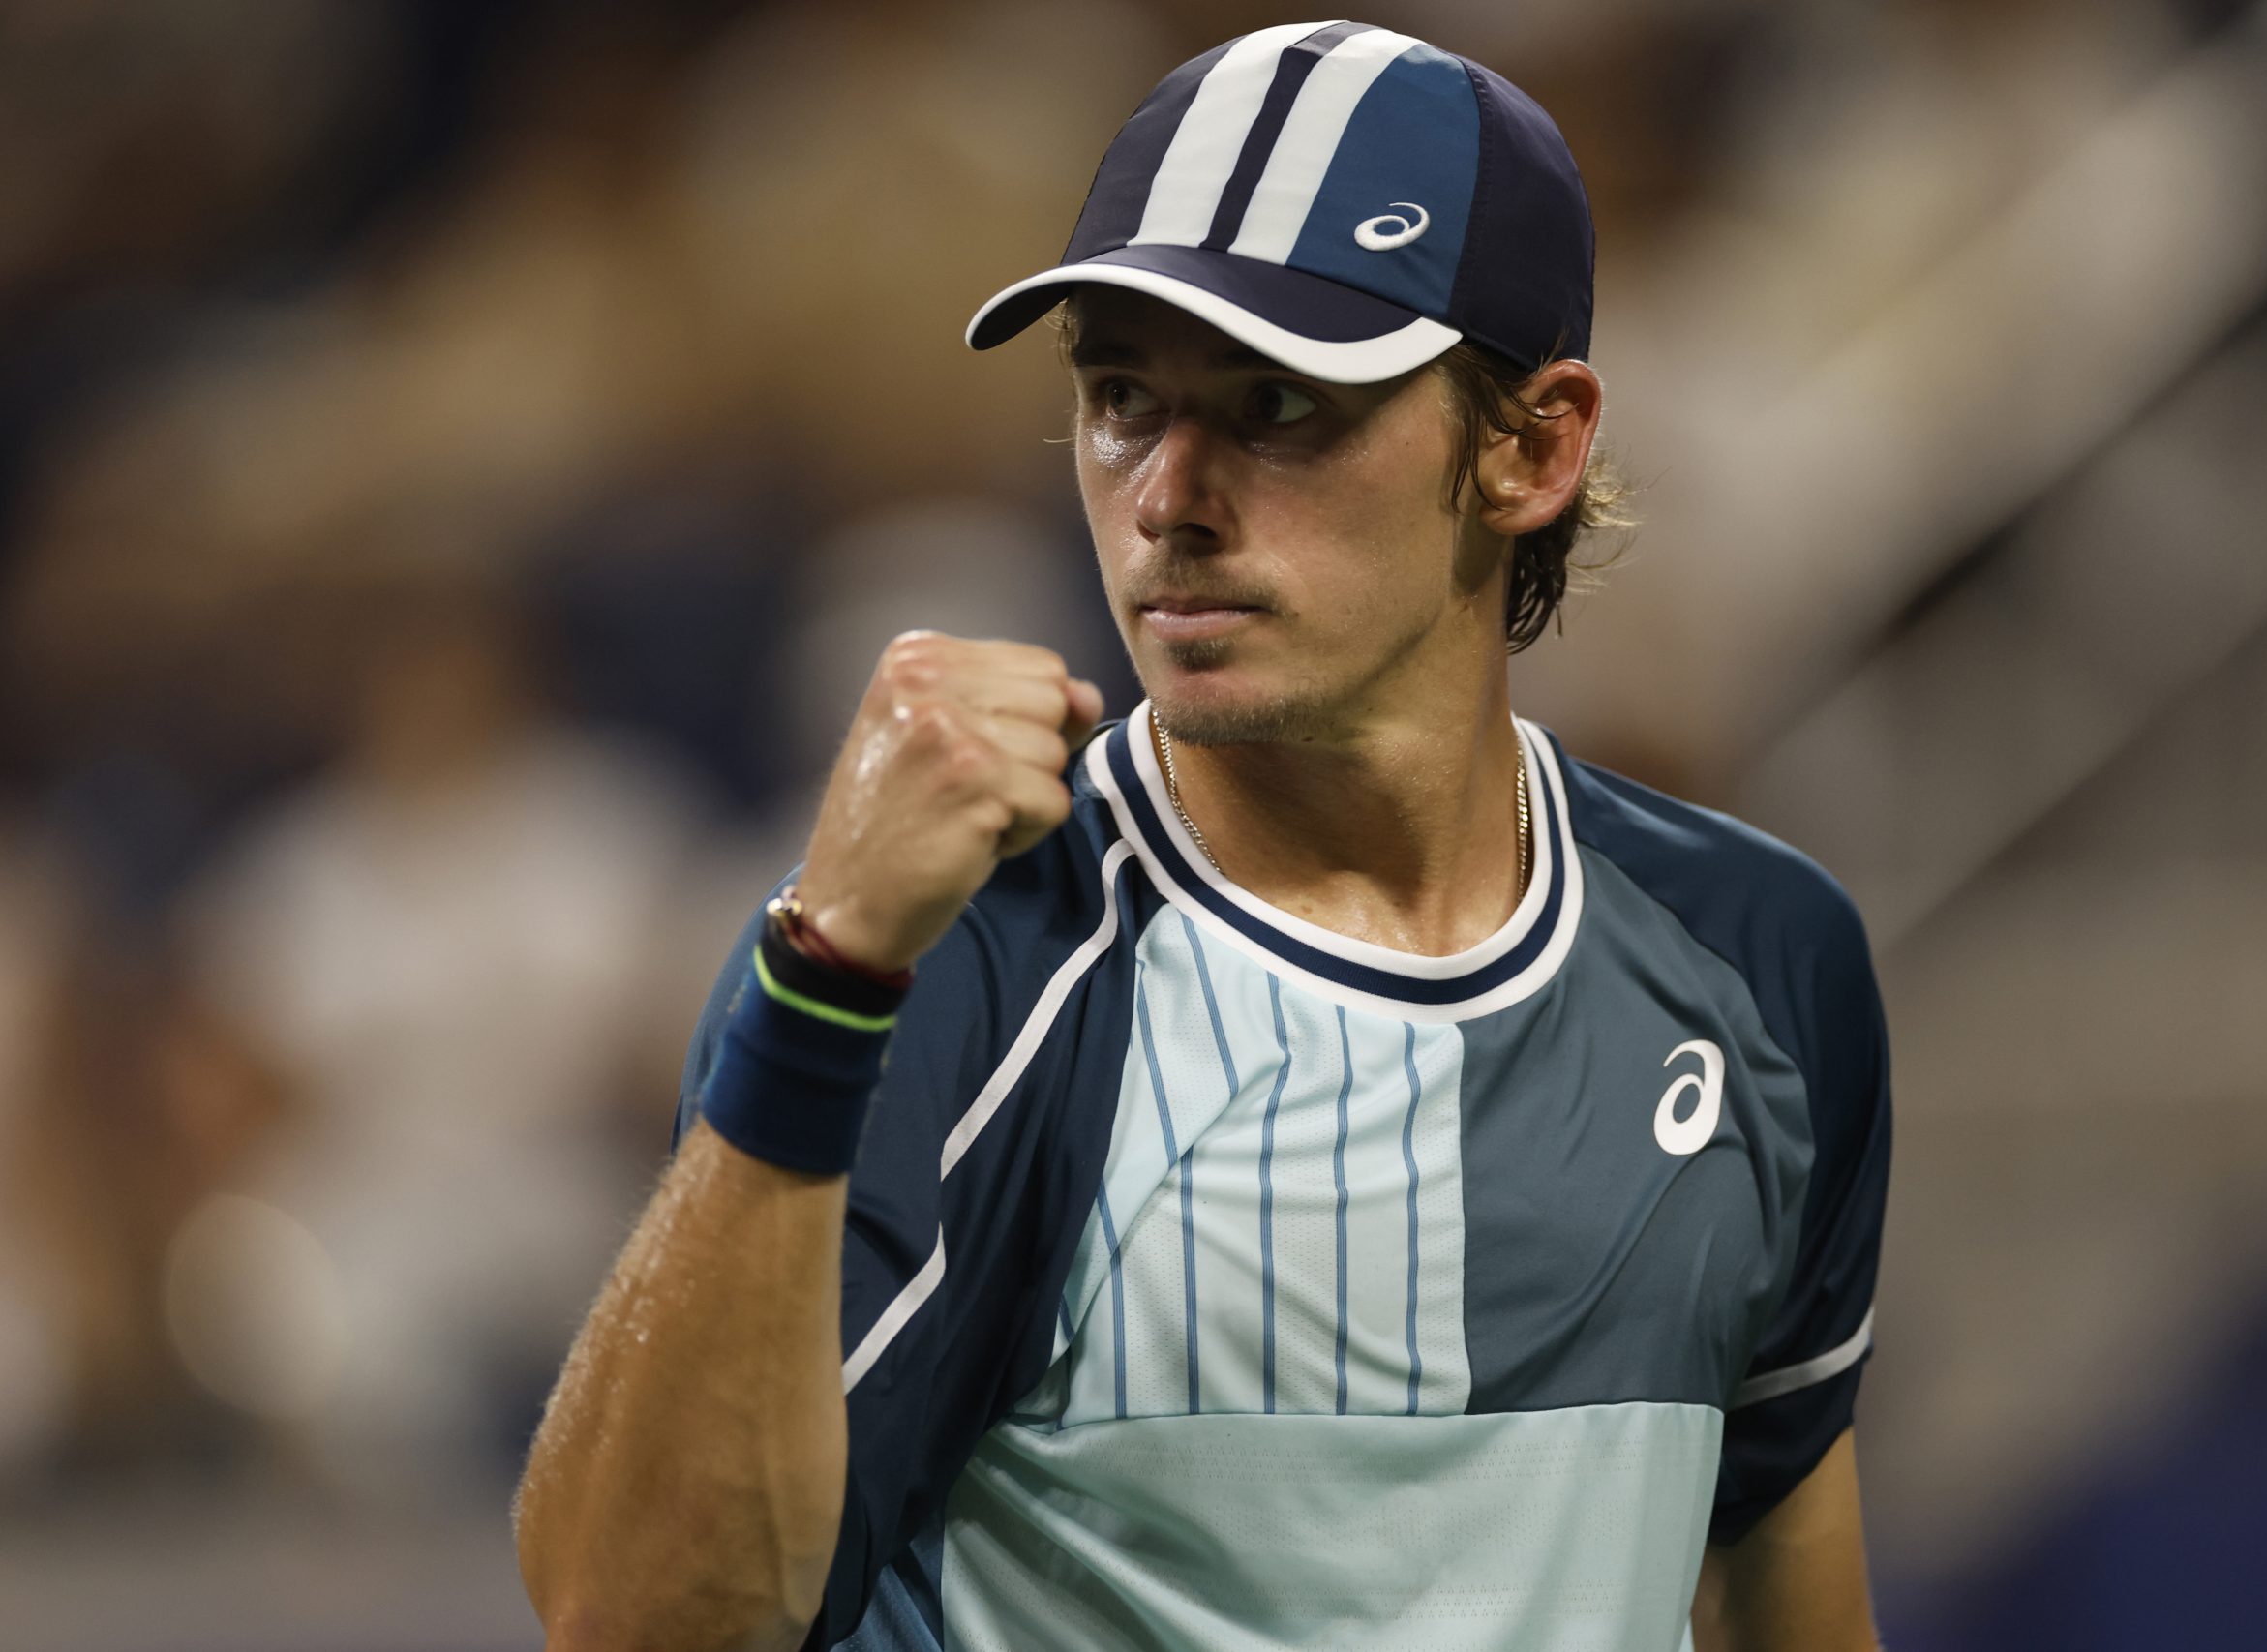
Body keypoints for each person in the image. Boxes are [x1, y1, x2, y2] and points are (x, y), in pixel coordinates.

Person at [516, 21, 1891, 1652]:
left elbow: (1770, 1593)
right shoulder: (958, 958)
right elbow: (631, 1619)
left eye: (1278, 406)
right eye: (1120, 399)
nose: (1169, 492)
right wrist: (821, 975)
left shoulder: (1760, 963)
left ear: (1533, 446)